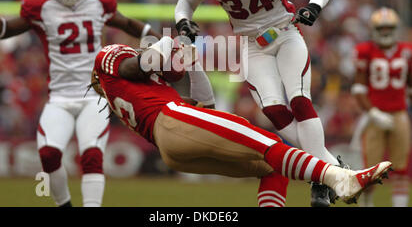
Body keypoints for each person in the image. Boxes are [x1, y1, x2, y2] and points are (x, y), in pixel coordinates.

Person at [90, 35, 392, 207]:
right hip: (170, 119)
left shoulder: (136, 93)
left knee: (273, 166)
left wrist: (192, 63)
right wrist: (167, 42)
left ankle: (332, 179)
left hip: (172, 142)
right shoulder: (111, 59)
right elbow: (141, 64)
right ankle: (339, 178)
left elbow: (205, 105)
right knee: (271, 143)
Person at [174, 0, 339, 206]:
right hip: (252, 45)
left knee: (300, 100)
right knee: (274, 110)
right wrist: (183, 23)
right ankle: (333, 169)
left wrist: (314, 6)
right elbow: (185, 3)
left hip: (285, 34)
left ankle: (320, 180)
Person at [0, 0, 160, 207]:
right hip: (59, 98)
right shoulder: (40, 7)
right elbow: (3, 31)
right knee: (48, 154)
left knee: (92, 156)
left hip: (93, 95)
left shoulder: (99, 2)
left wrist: (158, 39)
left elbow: (127, 22)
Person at [351, 8, 410, 207]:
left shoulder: (407, 51)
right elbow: (358, 88)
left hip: (399, 114)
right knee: (371, 171)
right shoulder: (365, 51)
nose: (385, 32)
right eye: (381, 28)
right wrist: (373, 113)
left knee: (401, 169)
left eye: (389, 28)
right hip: (374, 117)